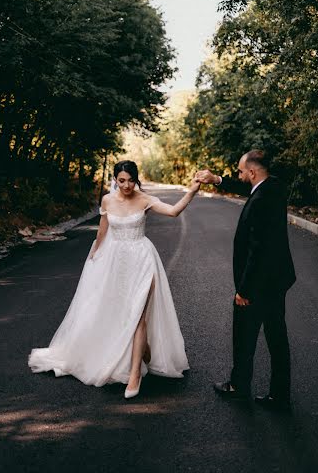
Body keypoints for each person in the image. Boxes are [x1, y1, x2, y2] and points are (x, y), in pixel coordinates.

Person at [29, 160, 201, 399]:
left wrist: (192, 191)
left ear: (136, 179)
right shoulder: (108, 200)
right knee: (122, 313)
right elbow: (102, 230)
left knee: (139, 314)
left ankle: (134, 375)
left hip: (142, 259)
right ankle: (144, 348)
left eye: (131, 180)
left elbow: (172, 212)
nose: (127, 185)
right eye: (122, 180)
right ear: (115, 180)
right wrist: (94, 257)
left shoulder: (144, 199)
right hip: (116, 262)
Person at [195, 150, 296, 411]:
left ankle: (239, 387)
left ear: (252, 173)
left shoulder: (261, 199)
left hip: (258, 282)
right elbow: (245, 189)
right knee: (276, 337)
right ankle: (279, 396)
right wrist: (216, 179)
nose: (239, 175)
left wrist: (244, 289)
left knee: (244, 334)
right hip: (278, 279)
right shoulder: (274, 188)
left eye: (241, 171)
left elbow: (257, 249)